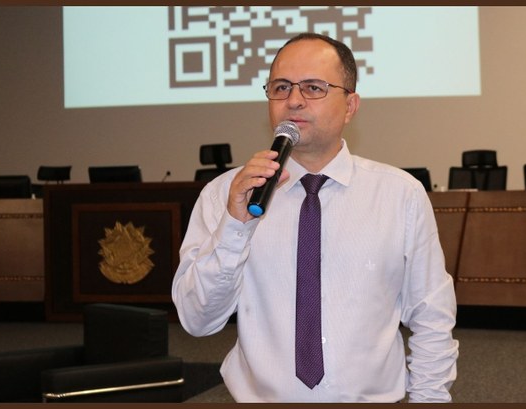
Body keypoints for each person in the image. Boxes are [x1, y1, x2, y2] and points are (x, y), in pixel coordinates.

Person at [172, 32, 459, 403]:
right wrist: (235, 225)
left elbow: (431, 316)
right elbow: (197, 321)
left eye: (313, 87)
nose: (293, 100)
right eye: (280, 87)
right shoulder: (226, 195)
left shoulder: (399, 194)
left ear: (351, 105)